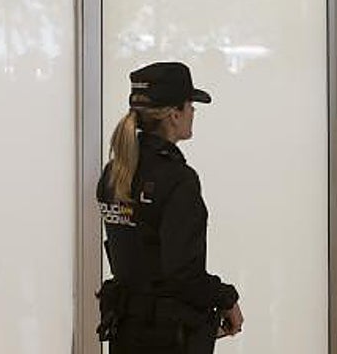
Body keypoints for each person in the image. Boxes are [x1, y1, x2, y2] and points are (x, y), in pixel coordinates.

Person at [97, 61, 244, 353]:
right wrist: (226, 298)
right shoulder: (178, 179)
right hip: (167, 337)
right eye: (190, 105)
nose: (193, 112)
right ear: (174, 114)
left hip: (126, 332)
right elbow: (182, 274)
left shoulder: (115, 172)